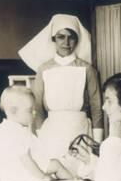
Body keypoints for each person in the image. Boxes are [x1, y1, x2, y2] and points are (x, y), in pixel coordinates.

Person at [18, 14, 103, 171]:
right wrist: (40, 135)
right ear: (53, 39)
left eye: (71, 37)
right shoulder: (44, 69)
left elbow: (96, 105)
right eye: (61, 37)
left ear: (77, 40)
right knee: (56, 174)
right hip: (52, 132)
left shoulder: (87, 69)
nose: (66, 42)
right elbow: (37, 105)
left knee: (81, 173)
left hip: (80, 129)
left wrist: (97, 141)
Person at [0, 86, 73, 181]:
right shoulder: (15, 132)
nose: (34, 113)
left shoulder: (5, 128)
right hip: (20, 178)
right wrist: (42, 177)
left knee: (54, 164)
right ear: (13, 112)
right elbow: (25, 159)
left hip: (8, 178)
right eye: (30, 110)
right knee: (56, 164)